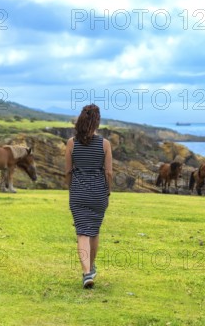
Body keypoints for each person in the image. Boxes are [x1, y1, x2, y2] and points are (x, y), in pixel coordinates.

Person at [65, 104, 113, 288]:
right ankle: (90, 268)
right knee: (94, 231)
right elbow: (108, 173)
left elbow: (68, 171)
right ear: (97, 121)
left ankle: (87, 273)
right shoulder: (105, 144)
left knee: (82, 232)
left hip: (78, 193)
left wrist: (72, 189)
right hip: (98, 193)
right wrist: (107, 191)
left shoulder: (71, 143)